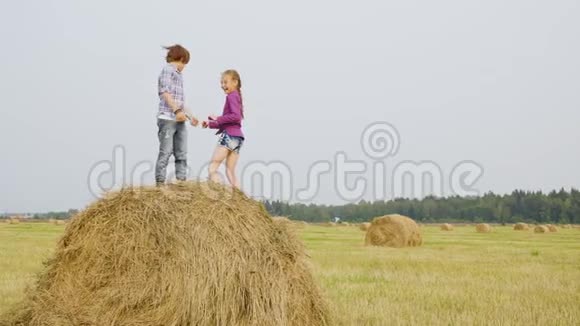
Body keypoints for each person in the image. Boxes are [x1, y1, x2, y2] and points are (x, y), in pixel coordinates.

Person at [155, 45, 199, 186]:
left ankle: (181, 182)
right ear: (181, 59)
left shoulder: (179, 76)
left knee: (181, 152)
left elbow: (181, 102)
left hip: (179, 120)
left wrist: (191, 117)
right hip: (167, 118)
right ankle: (160, 183)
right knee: (166, 152)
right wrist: (176, 111)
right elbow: (165, 93)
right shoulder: (167, 70)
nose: (184, 67)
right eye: (184, 63)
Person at [202, 70, 245, 189]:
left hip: (230, 135)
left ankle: (220, 193)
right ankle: (240, 198)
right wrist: (210, 124)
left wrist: (218, 118)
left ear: (235, 82)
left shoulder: (231, 96)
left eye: (225, 82)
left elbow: (235, 117)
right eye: (221, 82)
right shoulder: (237, 96)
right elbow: (229, 121)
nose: (222, 85)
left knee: (212, 167)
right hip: (238, 137)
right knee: (230, 171)